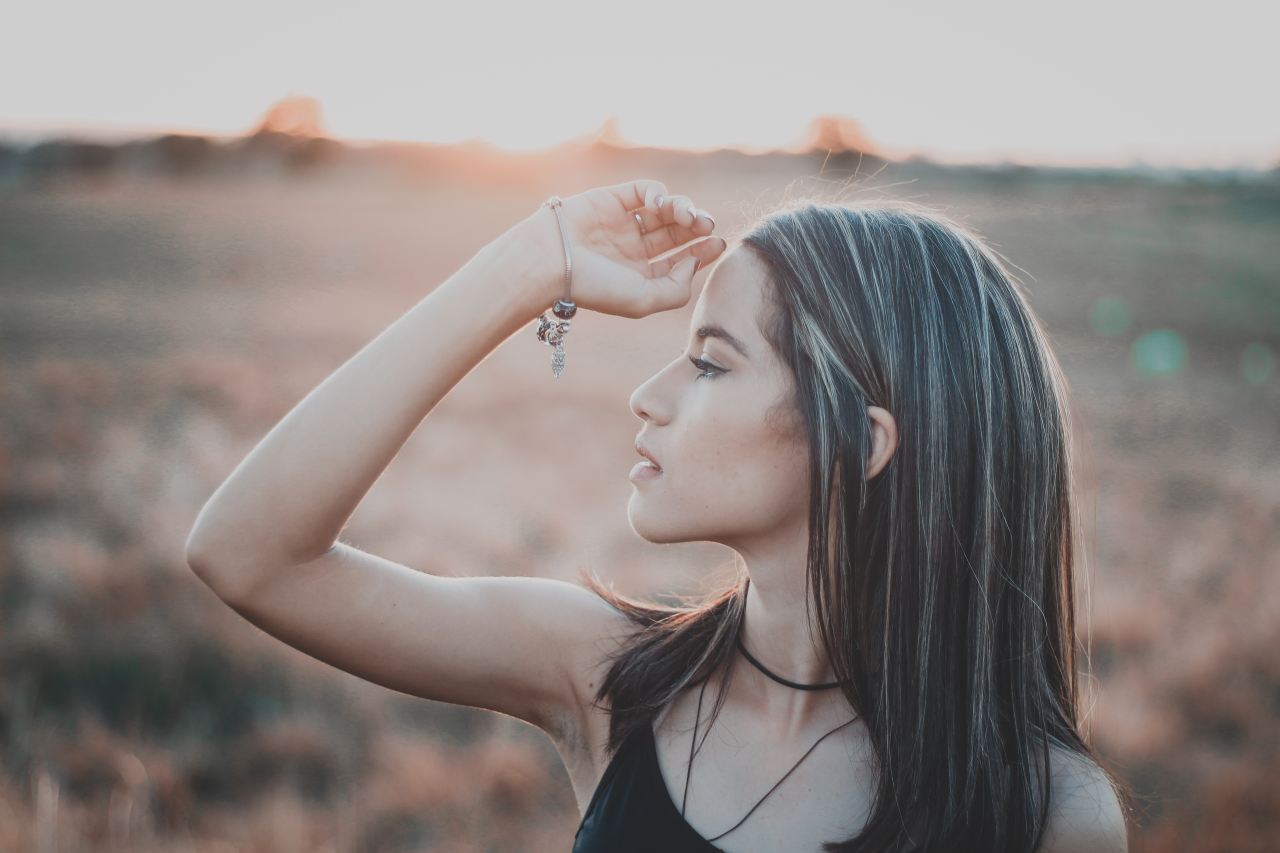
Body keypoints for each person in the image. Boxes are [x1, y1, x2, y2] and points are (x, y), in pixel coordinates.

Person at [185, 178, 1130, 851]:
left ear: (862, 440)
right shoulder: (609, 679)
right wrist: (533, 261)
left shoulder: (1046, 814)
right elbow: (249, 554)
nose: (648, 394)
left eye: (711, 362)